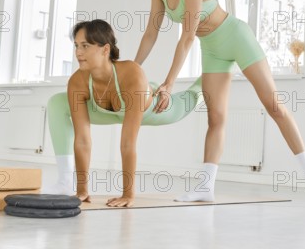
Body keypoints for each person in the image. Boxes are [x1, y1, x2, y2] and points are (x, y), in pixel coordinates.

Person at [134, 0, 305, 207]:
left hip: (235, 37)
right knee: (216, 118)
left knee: (274, 106)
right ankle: (206, 186)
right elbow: (151, 32)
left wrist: (168, 83)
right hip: (212, 49)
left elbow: (186, 36)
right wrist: (131, 68)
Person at [43, 19, 202, 207]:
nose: (78, 52)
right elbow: (82, 139)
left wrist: (128, 194)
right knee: (56, 102)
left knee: (194, 96)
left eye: (85, 46)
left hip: (151, 109)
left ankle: (220, 67)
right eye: (76, 46)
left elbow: (128, 143)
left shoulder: (131, 74)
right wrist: (82, 190)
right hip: (105, 111)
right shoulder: (78, 81)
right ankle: (65, 182)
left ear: (105, 49)